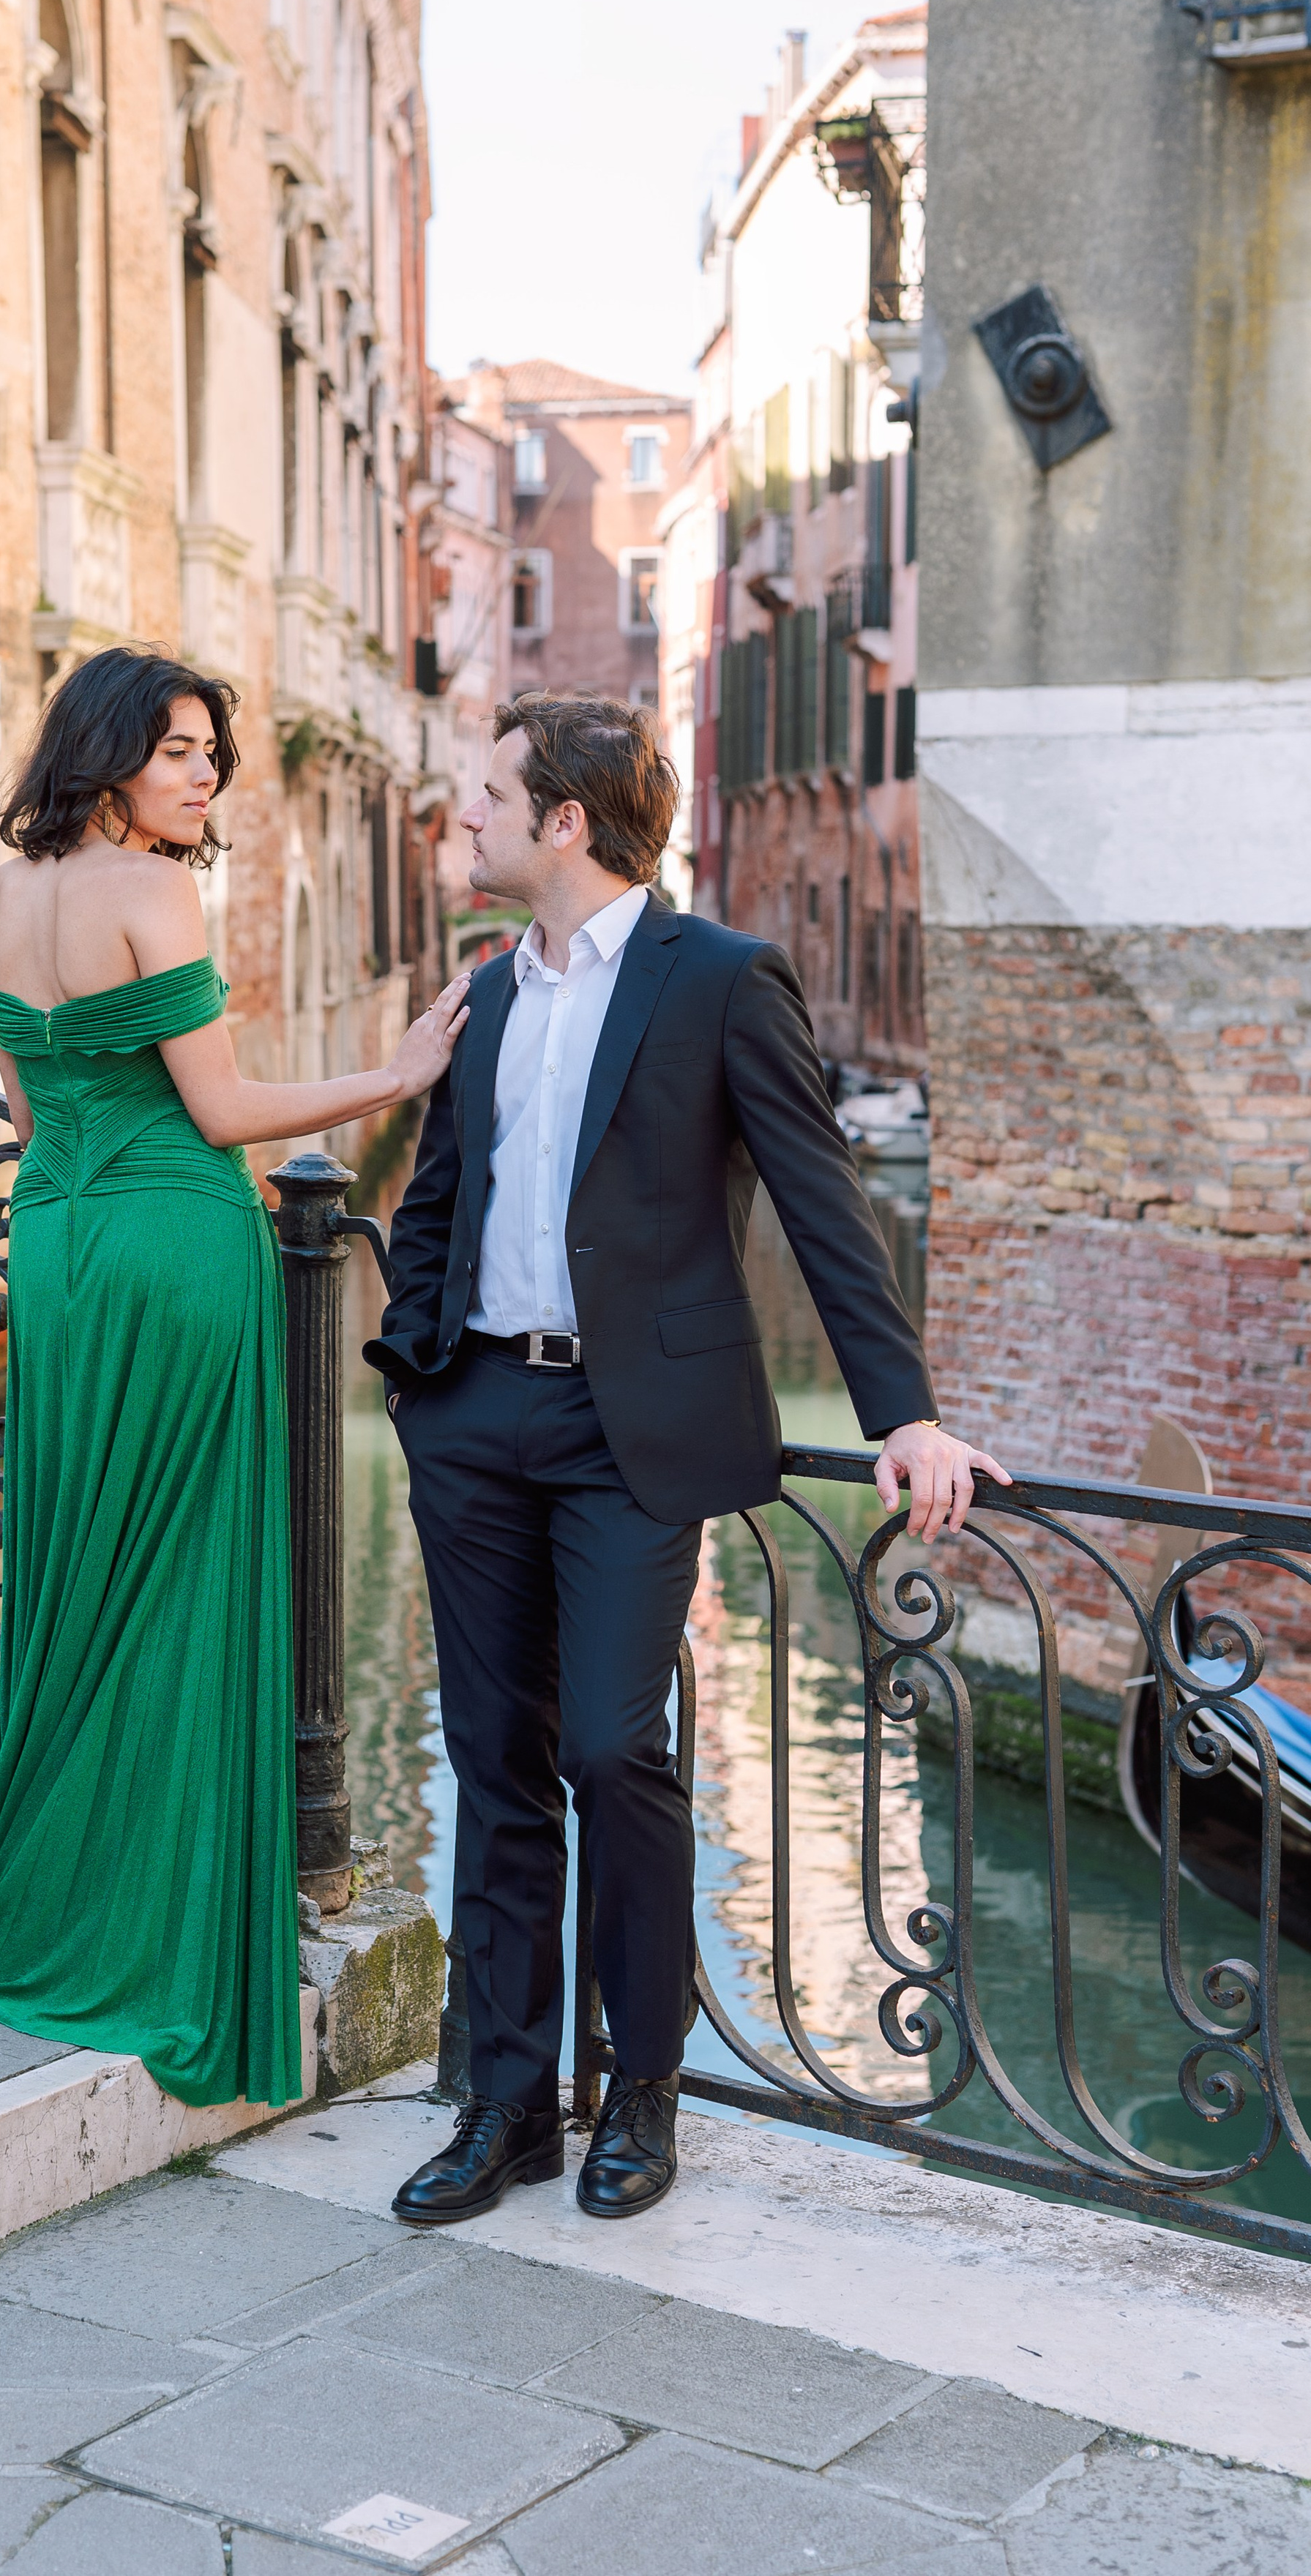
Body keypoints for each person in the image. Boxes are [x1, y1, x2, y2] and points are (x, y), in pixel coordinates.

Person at [367, 692, 1009, 2225]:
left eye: (489, 795)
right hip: (476, 1413)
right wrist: (416, 1372)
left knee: (612, 1747)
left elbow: (818, 1196)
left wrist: (901, 1411)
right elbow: (440, 1194)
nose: (466, 816)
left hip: (626, 1432)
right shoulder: (487, 993)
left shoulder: (718, 978)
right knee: (492, 1761)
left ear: (565, 821)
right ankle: (507, 2104)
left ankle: (640, 2094)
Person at [0, 645, 469, 2111]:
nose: (204, 775)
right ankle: (150, 1911)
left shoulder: (2, 894)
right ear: (106, 754)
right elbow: (219, 1108)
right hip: (175, 1243)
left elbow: (32, 1112)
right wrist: (394, 1076)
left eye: (212, 753)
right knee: (180, 1575)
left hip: (57, 1246)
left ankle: (52, 1879)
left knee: (85, 1565)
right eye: (177, 750)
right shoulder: (154, 893)